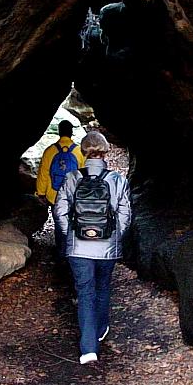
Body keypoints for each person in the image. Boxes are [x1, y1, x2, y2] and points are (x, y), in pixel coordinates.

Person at [53, 131, 131, 364]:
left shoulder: (72, 177)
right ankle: (100, 329)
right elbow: (125, 214)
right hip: (106, 247)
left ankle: (88, 348)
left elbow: (59, 211)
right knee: (103, 287)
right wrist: (114, 236)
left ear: (84, 152)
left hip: (79, 248)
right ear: (105, 151)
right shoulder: (117, 180)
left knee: (85, 292)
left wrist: (72, 235)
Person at [35, 120, 85, 261]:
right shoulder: (79, 151)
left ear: (59, 132)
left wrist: (41, 193)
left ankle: (61, 253)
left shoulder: (50, 151)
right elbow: (84, 173)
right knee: (73, 221)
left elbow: (44, 173)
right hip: (73, 195)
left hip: (55, 195)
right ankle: (73, 250)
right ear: (71, 132)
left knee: (59, 224)